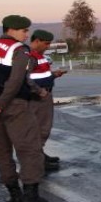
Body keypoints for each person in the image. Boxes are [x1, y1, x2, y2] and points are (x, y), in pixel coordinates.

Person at [0, 15, 63, 202]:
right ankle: (31, 197)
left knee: (2, 152)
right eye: (24, 30)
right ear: (11, 29)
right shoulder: (18, 50)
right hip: (14, 106)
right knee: (30, 149)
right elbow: (16, 82)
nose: (27, 34)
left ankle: (15, 197)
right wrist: (1, 104)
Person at [27, 29, 67, 170]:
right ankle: (35, 159)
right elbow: (26, 78)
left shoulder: (39, 56)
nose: (48, 46)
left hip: (44, 95)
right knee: (40, 129)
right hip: (37, 98)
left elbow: (39, 75)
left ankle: (39, 154)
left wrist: (53, 75)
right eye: (46, 43)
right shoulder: (30, 56)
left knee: (43, 128)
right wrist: (40, 91)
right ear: (36, 41)